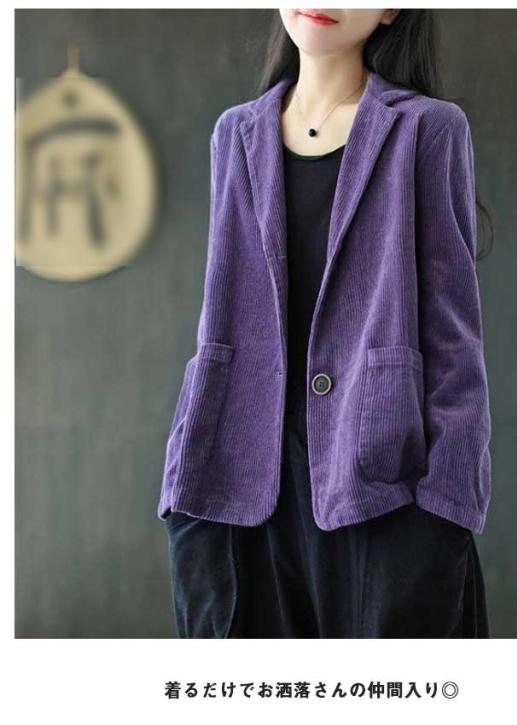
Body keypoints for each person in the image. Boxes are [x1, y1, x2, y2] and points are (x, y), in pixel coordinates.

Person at [158, 8, 494, 638]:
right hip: (235, 487)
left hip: (384, 487)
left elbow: (454, 339)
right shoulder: (237, 135)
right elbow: (220, 311)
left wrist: (445, 510)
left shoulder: (426, 129)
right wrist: (183, 494)